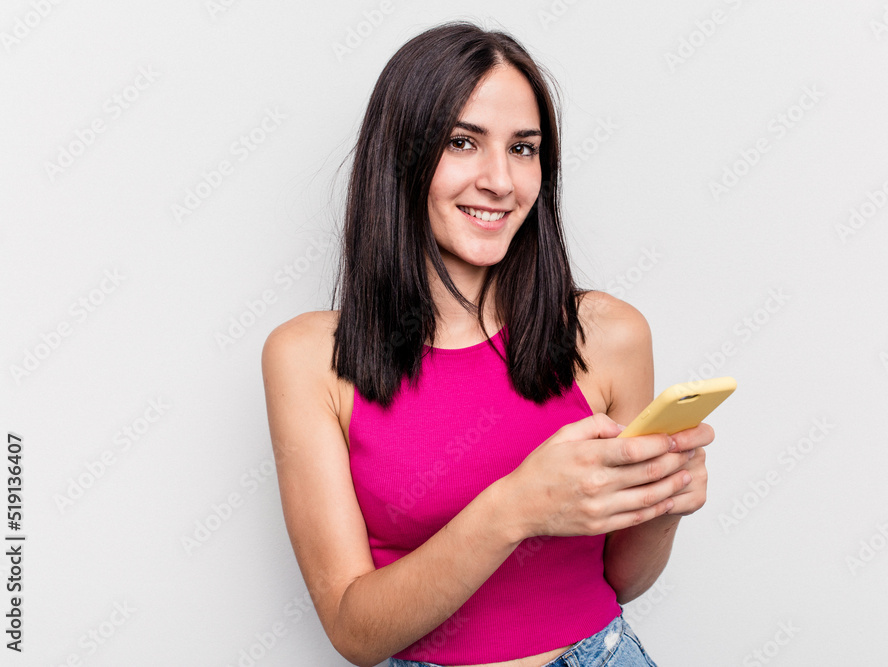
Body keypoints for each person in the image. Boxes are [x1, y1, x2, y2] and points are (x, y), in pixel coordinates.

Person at [261, 20, 715, 667]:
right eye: (463, 142)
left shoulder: (609, 334)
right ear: (402, 157)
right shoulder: (308, 357)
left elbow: (622, 580)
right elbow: (354, 630)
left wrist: (664, 504)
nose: (501, 181)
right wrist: (517, 506)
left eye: (524, 149)